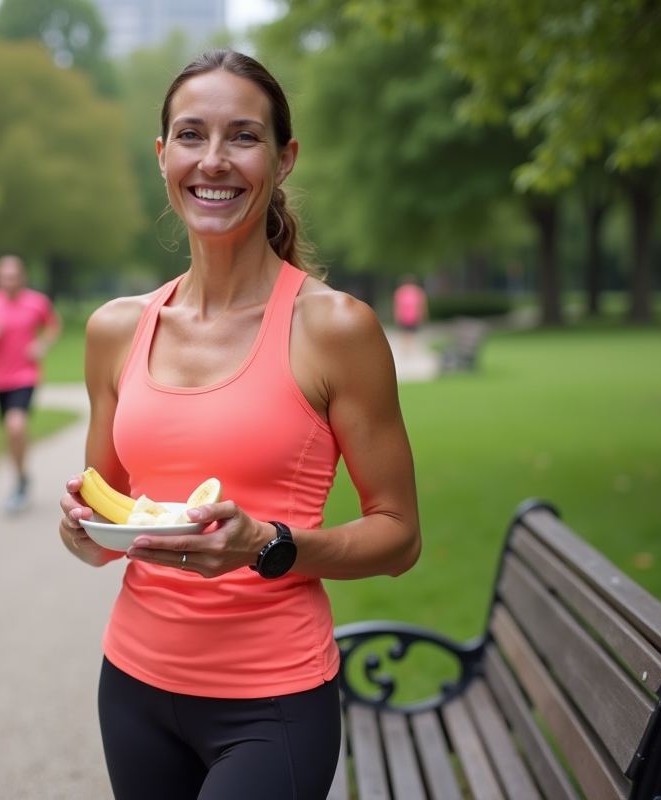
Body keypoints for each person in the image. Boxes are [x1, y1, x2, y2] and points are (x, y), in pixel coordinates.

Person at [58, 50, 421, 800]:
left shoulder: (335, 328)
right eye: (191, 135)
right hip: (133, 686)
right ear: (163, 155)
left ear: (283, 159)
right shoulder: (116, 329)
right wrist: (81, 530)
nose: (213, 161)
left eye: (243, 137)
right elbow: (105, 515)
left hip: (273, 704)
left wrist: (271, 546)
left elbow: (399, 534)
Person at [0, 255, 61, 514]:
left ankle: (18, 484)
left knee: (15, 425)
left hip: (26, 376)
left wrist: (42, 344)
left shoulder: (37, 303)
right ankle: (22, 476)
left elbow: (53, 326)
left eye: (14, 276)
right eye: (4, 276)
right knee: (10, 432)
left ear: (22, 277)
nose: (9, 281)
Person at [392, 273, 428, 356]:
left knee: (405, 333)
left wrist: (396, 316)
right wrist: (424, 314)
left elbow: (397, 305)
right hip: (414, 315)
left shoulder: (400, 291)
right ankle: (409, 348)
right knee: (411, 333)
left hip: (404, 315)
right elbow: (422, 305)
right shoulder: (418, 291)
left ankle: (406, 348)